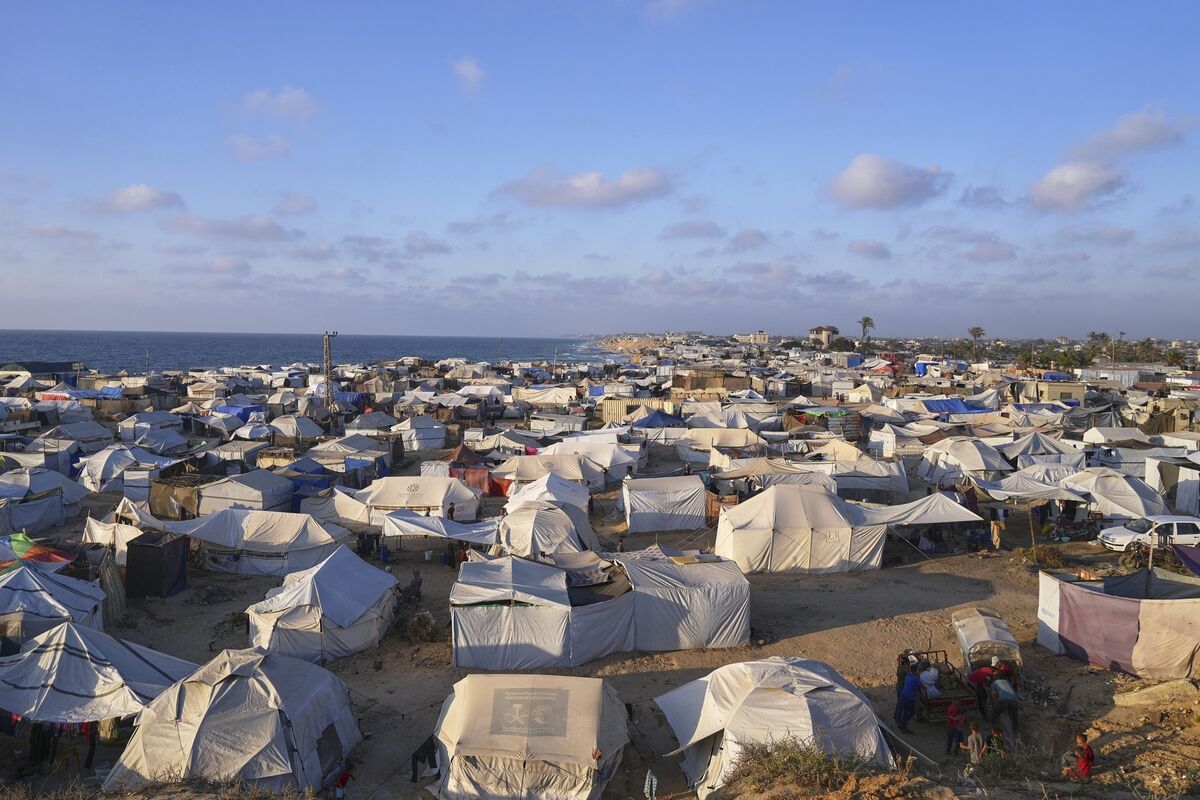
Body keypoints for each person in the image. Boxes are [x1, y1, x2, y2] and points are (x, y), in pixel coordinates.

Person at [897, 665, 920, 733]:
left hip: (903, 695)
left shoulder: (908, 676)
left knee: (905, 711)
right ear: (916, 671)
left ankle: (902, 723)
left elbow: (908, 672)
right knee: (911, 712)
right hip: (909, 698)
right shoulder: (915, 679)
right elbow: (921, 686)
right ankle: (903, 726)